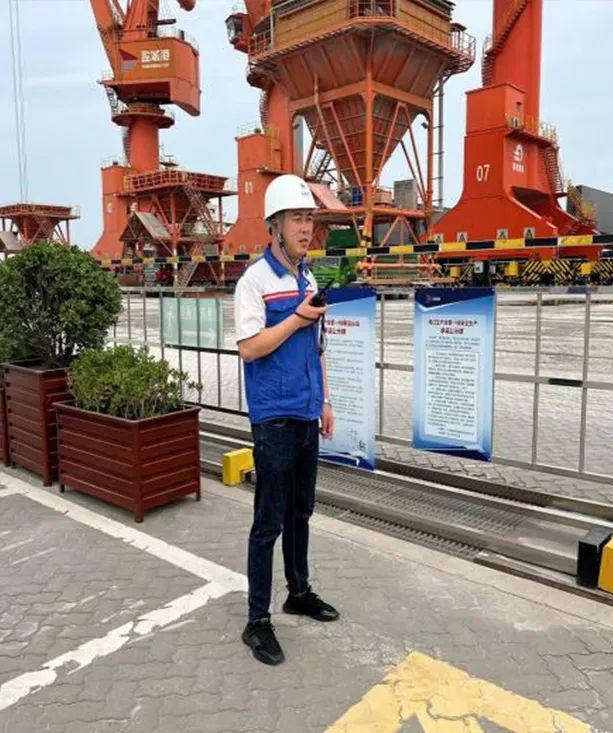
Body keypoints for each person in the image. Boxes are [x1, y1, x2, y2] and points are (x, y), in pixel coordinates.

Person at [233, 174, 340, 666]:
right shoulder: (254, 282)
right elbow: (250, 349)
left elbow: (316, 347)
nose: (306, 228)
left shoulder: (308, 279)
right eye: (297, 218)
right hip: (274, 419)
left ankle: (298, 592)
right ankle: (257, 621)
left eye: (309, 219)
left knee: (301, 513)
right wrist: (296, 317)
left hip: (306, 414)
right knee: (268, 523)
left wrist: (326, 401)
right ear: (274, 225)